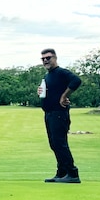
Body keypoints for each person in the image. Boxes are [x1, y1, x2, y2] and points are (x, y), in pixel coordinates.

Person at [38, 48, 82, 183]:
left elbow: (76, 81)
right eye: (43, 58)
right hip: (49, 113)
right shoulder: (47, 76)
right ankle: (62, 172)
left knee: (60, 143)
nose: (46, 60)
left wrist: (64, 96)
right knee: (54, 144)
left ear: (55, 58)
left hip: (59, 113)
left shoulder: (61, 72)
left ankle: (72, 173)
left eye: (48, 57)